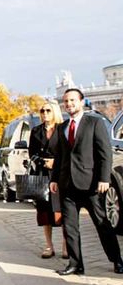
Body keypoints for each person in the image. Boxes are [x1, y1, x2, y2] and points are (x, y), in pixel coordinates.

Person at [50, 88, 123, 275]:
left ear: (81, 102)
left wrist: (104, 178)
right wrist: (54, 179)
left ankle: (117, 260)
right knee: (70, 227)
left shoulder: (94, 123)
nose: (69, 104)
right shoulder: (62, 127)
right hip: (67, 185)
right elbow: (59, 156)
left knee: (102, 224)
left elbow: (104, 153)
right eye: (66, 101)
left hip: (90, 184)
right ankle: (75, 264)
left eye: (73, 100)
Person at [29, 101, 66, 259]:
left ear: (55, 112)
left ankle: (66, 247)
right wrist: (43, 162)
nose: (45, 113)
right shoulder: (36, 131)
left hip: (60, 174)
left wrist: (55, 163)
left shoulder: (62, 129)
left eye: (48, 110)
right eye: (42, 110)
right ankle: (49, 246)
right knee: (44, 212)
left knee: (63, 211)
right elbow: (32, 153)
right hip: (42, 175)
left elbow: (68, 151)